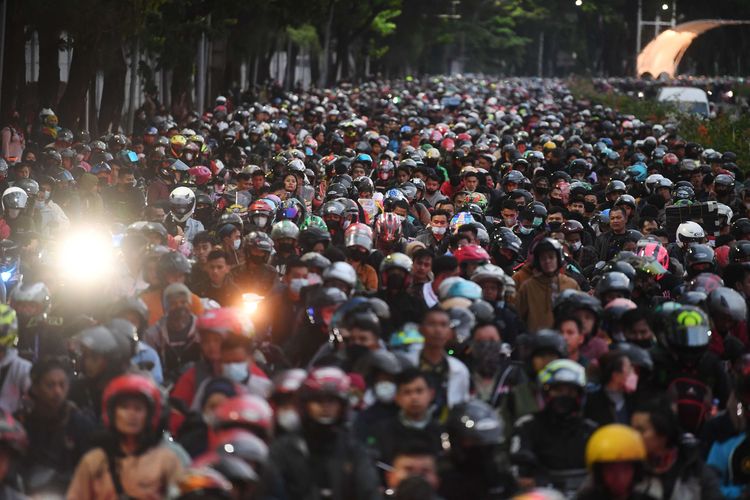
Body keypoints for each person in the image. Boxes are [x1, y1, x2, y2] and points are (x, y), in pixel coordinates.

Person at [269, 367, 382, 499]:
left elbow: (369, 493)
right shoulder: (283, 449)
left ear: (342, 406)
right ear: (306, 404)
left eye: (331, 401)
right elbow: (270, 492)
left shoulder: (354, 451)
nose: (325, 407)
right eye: (318, 400)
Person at [66, 374, 184, 499]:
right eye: (124, 407)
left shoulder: (166, 460)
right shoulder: (93, 462)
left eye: (138, 408)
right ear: (112, 413)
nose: (131, 414)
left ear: (149, 415)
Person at [16, 357, 94, 495]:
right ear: (35, 387)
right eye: (50, 385)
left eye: (62, 384)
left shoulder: (79, 423)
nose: (57, 391)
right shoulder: (22, 424)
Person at [404, 307, 470, 416]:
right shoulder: (406, 364)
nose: (438, 330)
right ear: (421, 329)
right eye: (431, 324)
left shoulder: (460, 370)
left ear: (450, 332)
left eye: (443, 325)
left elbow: (462, 407)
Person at [516, 238, 580, 332]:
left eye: (551, 257)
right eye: (543, 258)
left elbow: (578, 315)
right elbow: (519, 317)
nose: (547, 261)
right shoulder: (528, 287)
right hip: (536, 341)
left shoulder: (571, 284)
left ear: (558, 259)